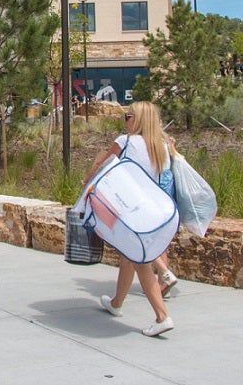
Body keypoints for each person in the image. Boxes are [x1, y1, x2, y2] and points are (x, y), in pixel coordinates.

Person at [84, 100, 177, 337]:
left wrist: (87, 183)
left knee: (140, 263)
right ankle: (116, 303)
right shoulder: (161, 146)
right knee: (129, 258)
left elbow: (103, 166)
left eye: (128, 116)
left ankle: (162, 316)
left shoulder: (125, 142)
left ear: (138, 120)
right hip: (151, 212)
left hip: (127, 211)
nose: (125, 120)